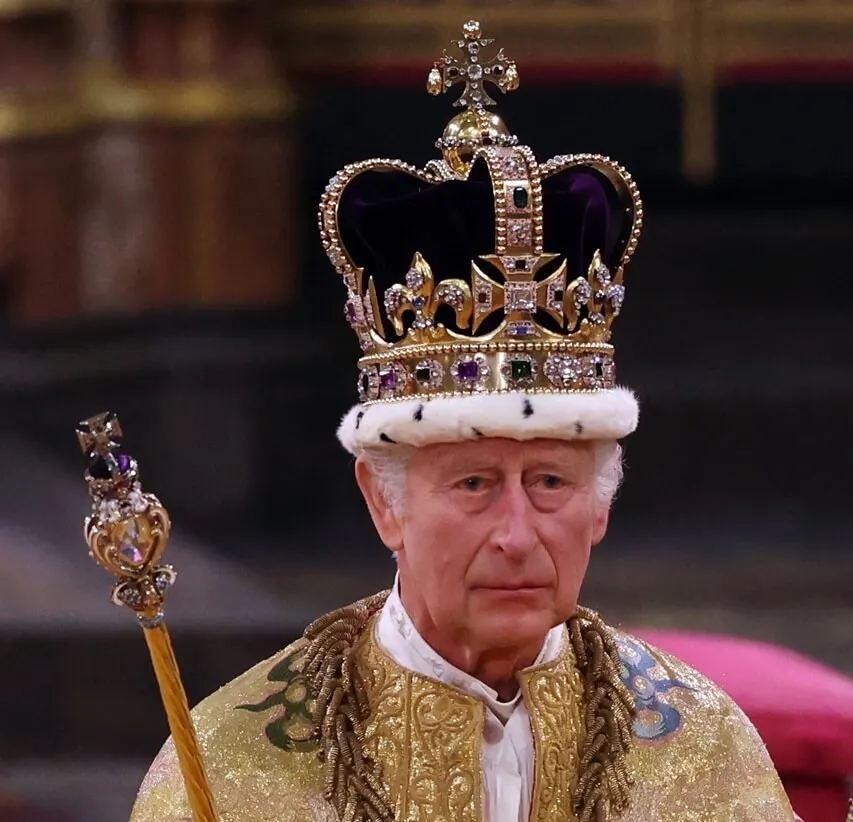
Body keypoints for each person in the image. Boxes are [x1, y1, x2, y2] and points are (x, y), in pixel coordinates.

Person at [130, 20, 797, 822]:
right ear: (386, 503)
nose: (517, 534)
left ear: (601, 507)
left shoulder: (704, 748)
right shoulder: (233, 771)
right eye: (476, 483)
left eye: (550, 481)